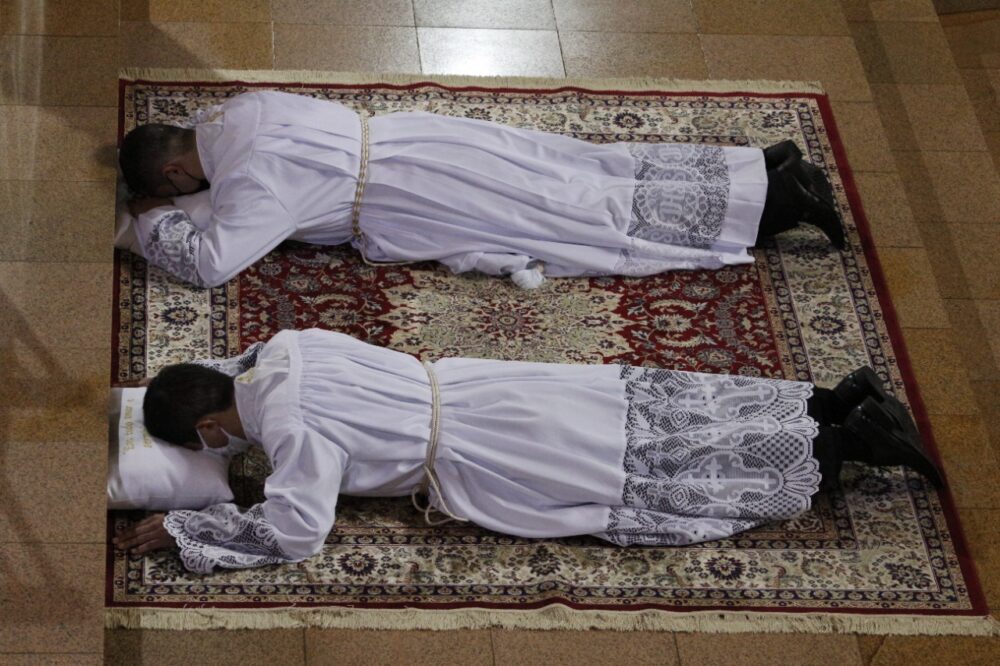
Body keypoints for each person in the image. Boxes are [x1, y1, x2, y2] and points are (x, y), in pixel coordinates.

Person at [113, 329, 942, 574]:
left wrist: (191, 528)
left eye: (211, 446)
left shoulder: (292, 433)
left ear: (212, 431)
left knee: (641, 472)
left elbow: (299, 531)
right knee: (652, 409)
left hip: (486, 448)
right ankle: (834, 400)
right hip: (482, 385)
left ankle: (849, 444)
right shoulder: (284, 349)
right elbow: (225, 371)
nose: (228, 454)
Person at [118, 90, 843, 290]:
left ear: (175, 175)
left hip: (415, 193)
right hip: (420, 139)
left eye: (173, 190)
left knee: (579, 214)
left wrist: (146, 222)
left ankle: (779, 204)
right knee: (587, 166)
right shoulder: (236, 110)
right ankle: (760, 167)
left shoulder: (251, 185)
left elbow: (212, 264)